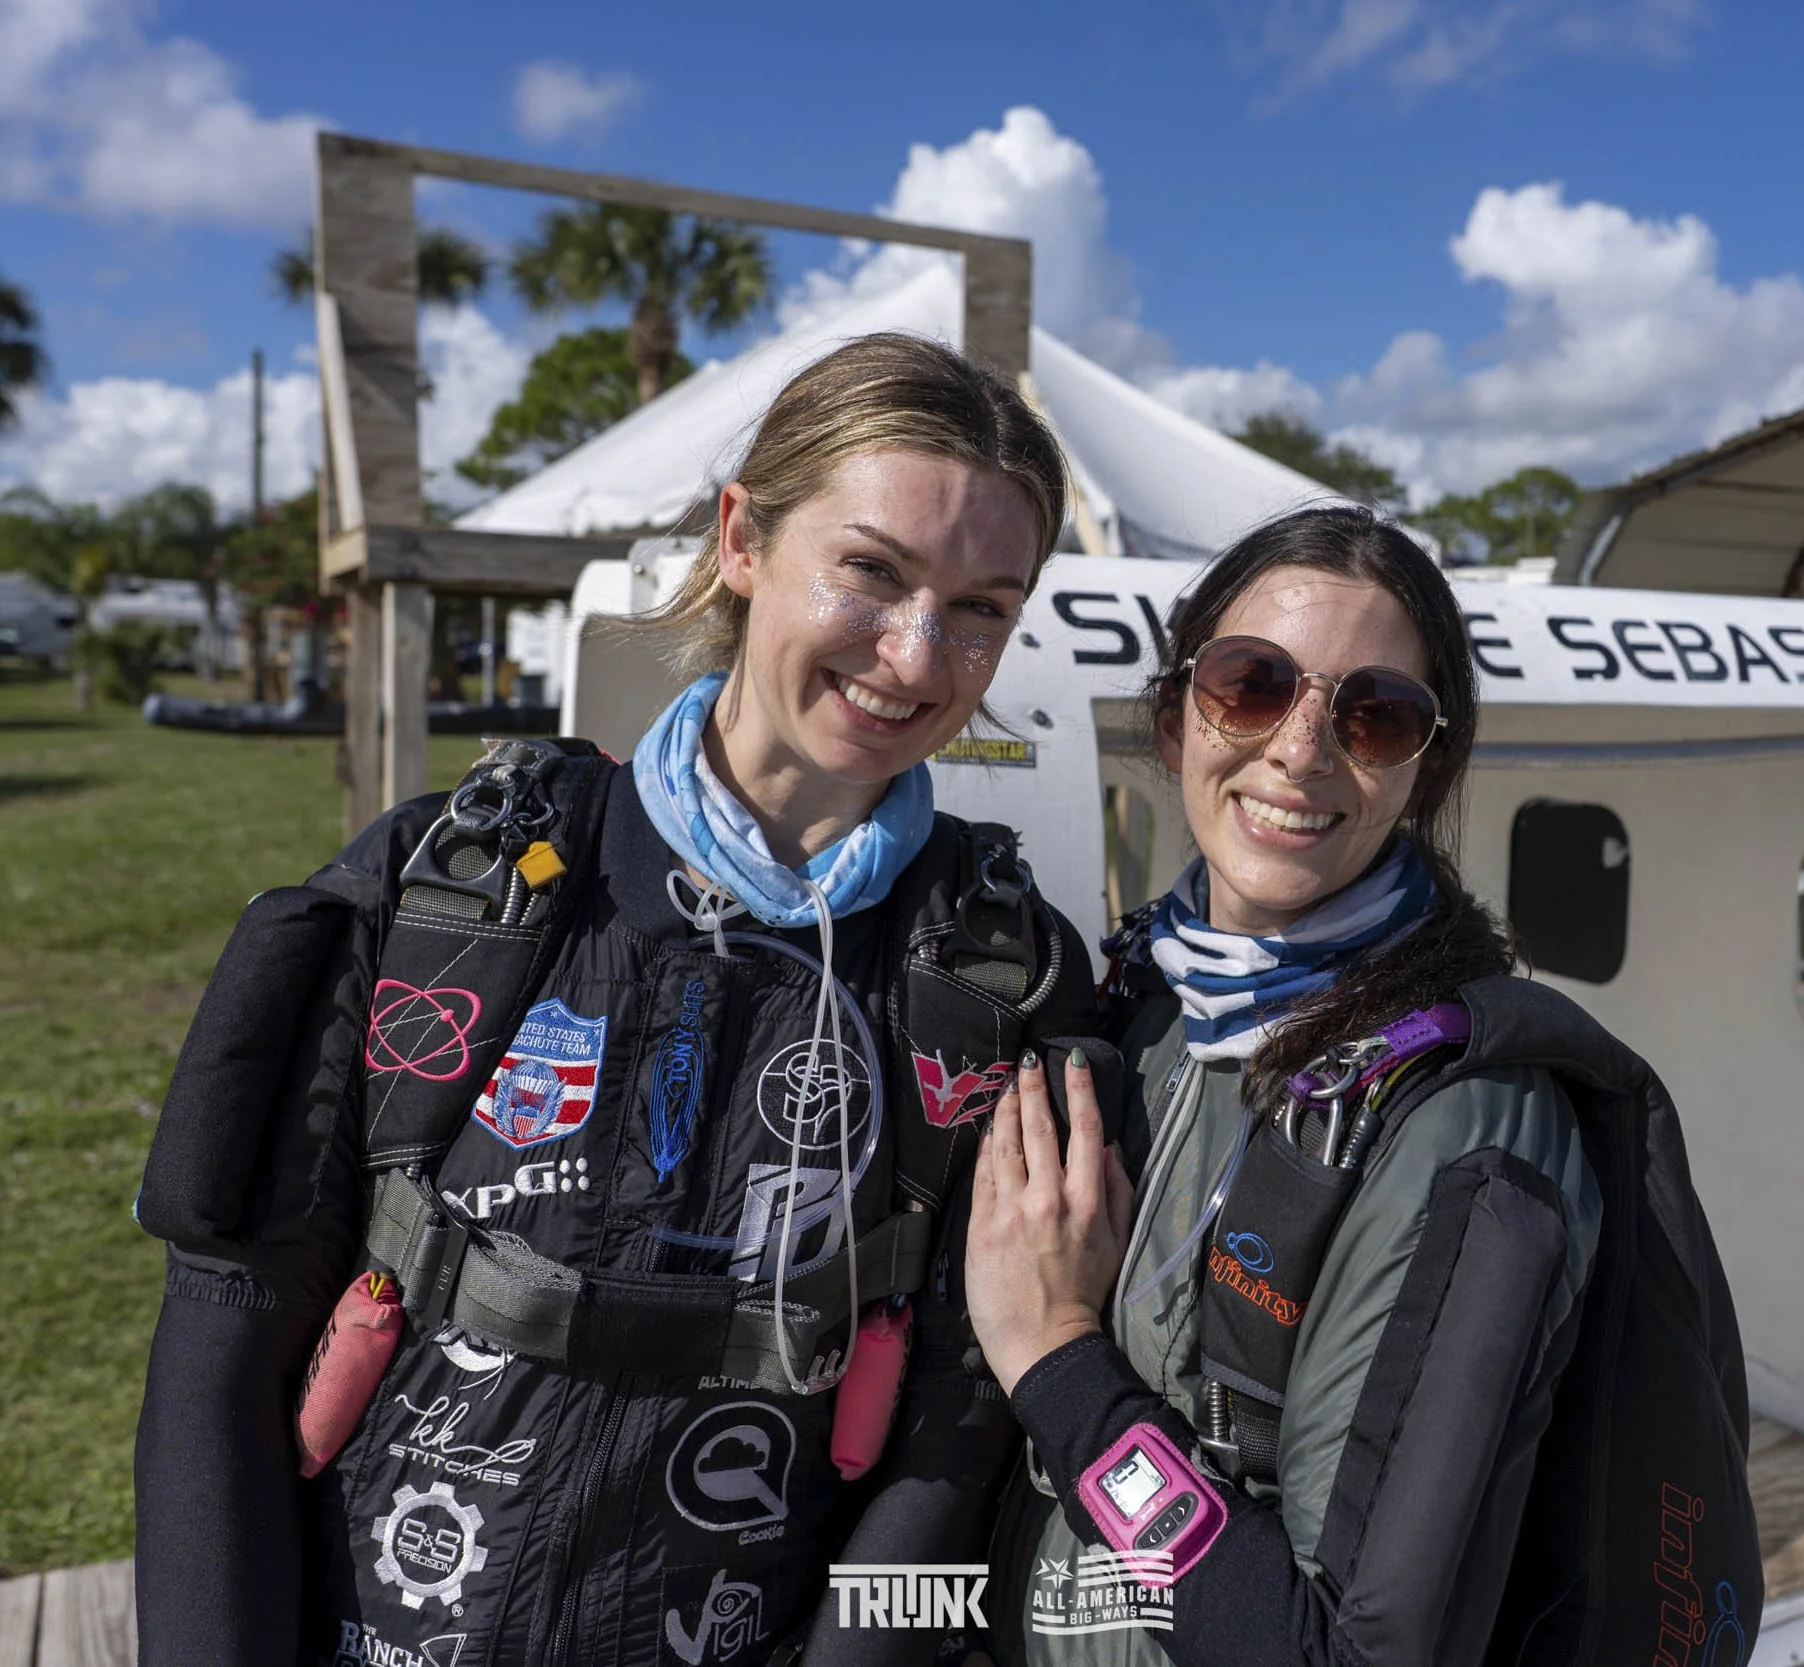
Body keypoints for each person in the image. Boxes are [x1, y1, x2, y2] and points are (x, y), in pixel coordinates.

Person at [133, 332, 1112, 1666]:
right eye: (872, 570)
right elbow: (222, 1331)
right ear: (745, 539)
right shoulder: (451, 883)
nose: (916, 650)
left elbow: (960, 1434)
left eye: (983, 606)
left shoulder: (1006, 980)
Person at [967, 506, 1760, 1666]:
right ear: (1175, 721)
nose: (1300, 747)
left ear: (1422, 770)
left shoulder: (1466, 1125)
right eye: (1250, 683)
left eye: (1375, 713)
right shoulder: (1141, 999)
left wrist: (1056, 1359)